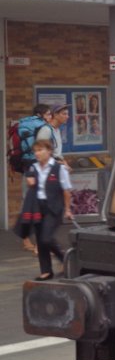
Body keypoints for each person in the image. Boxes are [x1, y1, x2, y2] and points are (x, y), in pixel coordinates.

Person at [16, 138, 72, 280]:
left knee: (46, 238)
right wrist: (30, 182)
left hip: (53, 208)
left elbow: (66, 190)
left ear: (49, 151)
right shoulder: (33, 168)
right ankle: (46, 271)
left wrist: (67, 209)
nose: (37, 153)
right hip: (37, 207)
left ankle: (65, 259)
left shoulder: (59, 169)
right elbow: (30, 183)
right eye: (35, 151)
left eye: (40, 150)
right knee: (40, 240)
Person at [14, 104, 51, 254]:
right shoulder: (43, 127)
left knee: (27, 202)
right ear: (41, 114)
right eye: (48, 114)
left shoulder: (24, 124)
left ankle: (27, 241)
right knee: (38, 205)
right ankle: (38, 244)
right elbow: (42, 148)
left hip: (27, 166)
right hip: (37, 167)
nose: (50, 117)